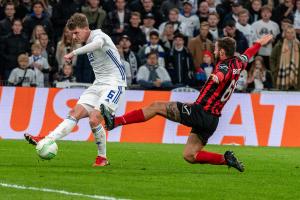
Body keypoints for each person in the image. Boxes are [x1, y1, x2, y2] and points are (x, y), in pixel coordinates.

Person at [101, 34, 274, 172]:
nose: (214, 52)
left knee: (155, 107)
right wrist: (259, 44)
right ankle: (225, 159)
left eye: (215, 49)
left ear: (222, 53)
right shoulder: (239, 62)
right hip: (212, 121)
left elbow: (221, 74)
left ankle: (115, 122)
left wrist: (215, 78)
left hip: (200, 112)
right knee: (190, 155)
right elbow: (249, 53)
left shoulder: (223, 67)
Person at [24, 13, 127, 167]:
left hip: (114, 84)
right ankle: (47, 139)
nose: (74, 37)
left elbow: (97, 45)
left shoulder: (99, 36)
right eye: (72, 34)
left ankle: (102, 158)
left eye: (76, 32)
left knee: (94, 118)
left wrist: (73, 52)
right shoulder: (86, 41)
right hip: (98, 84)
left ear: (86, 28)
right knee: (74, 113)